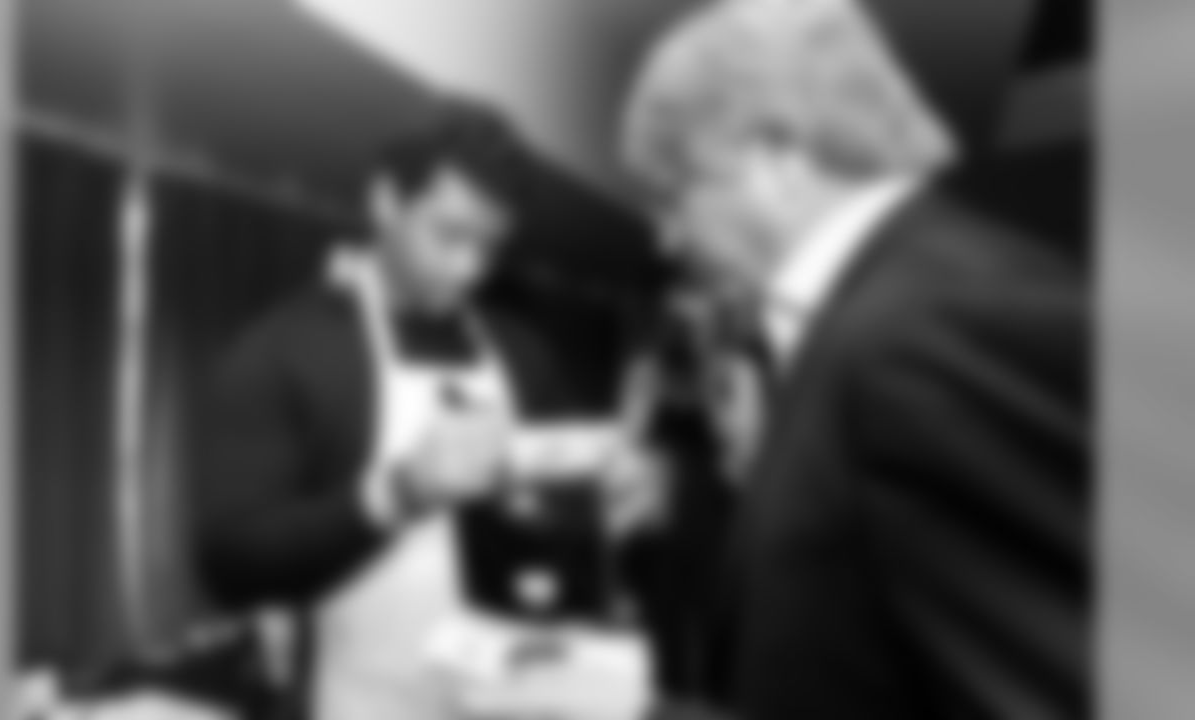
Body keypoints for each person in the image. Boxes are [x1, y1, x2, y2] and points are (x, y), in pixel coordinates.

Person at [456, 0, 1091, 718]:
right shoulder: (876, 327)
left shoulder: (929, 331)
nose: (665, 241)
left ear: (775, 155)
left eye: (672, 196)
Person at [190, 100, 579, 720]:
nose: (469, 269)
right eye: (448, 235)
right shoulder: (283, 351)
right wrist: (397, 494)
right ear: (385, 202)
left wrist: (611, 497)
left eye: (490, 247)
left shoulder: (525, 355)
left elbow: (563, 520)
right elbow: (228, 565)